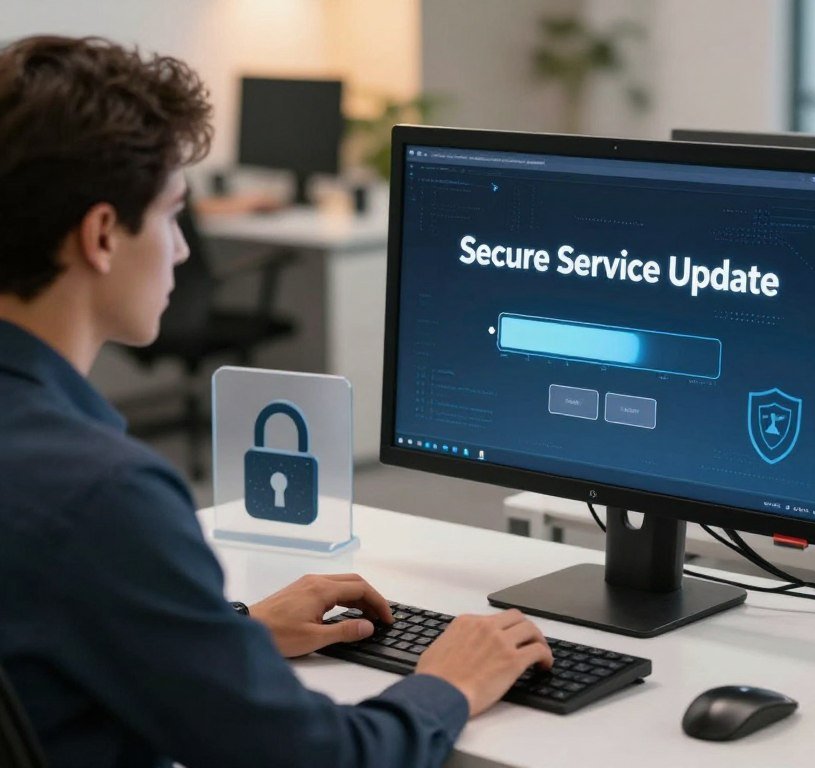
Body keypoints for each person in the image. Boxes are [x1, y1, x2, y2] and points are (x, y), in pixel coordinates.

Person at [0, 35, 552, 768]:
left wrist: (232, 637)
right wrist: (448, 683)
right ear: (102, 234)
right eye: (171, 215)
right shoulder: (102, 494)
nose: (183, 250)